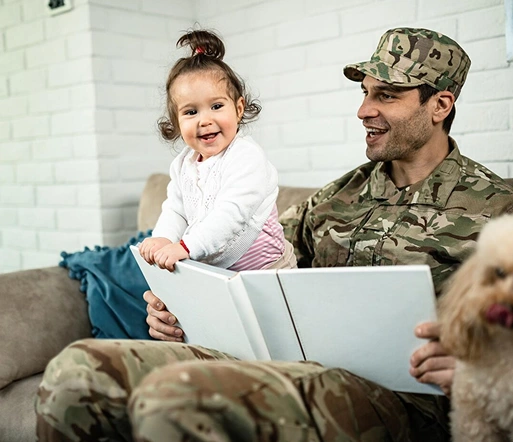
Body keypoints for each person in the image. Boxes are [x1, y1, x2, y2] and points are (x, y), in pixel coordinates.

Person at [36, 28, 513, 442]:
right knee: (77, 373)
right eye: (364, 93)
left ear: (440, 105)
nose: (363, 110)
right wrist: (180, 306)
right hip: (285, 367)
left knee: (177, 397)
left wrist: (483, 369)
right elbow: (241, 265)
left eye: (385, 95)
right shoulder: (333, 199)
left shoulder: (499, 210)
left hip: (401, 401)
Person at [139, 29, 296, 273]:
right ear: (177, 121)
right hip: (220, 273)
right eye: (191, 112)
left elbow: (231, 214)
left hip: (269, 270)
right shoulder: (183, 166)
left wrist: (185, 246)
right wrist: (163, 238)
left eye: (216, 106)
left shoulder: (245, 156)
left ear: (239, 108)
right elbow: (176, 211)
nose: (205, 120)